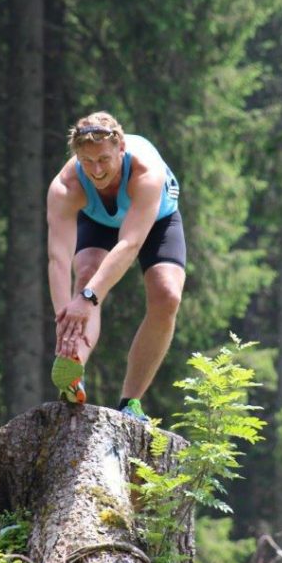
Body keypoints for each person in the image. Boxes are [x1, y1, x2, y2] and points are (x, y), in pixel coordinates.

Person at [47, 111, 186, 421]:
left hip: (155, 219)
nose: (96, 171)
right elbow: (58, 258)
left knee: (167, 295)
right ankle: (72, 372)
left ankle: (130, 403)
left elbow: (130, 244)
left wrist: (88, 297)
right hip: (98, 221)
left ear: (121, 148)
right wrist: (63, 316)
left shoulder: (146, 172)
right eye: (87, 161)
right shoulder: (65, 187)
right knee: (85, 274)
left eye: (104, 160)